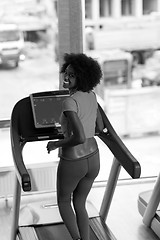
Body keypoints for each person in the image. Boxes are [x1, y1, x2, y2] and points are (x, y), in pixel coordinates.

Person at [46, 53, 104, 240]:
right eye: (66, 73)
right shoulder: (92, 95)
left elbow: (78, 137)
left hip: (74, 159)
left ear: (83, 77)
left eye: (72, 75)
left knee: (63, 201)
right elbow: (100, 127)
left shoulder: (69, 102)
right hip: (93, 157)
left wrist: (56, 143)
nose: (67, 78)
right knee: (80, 203)